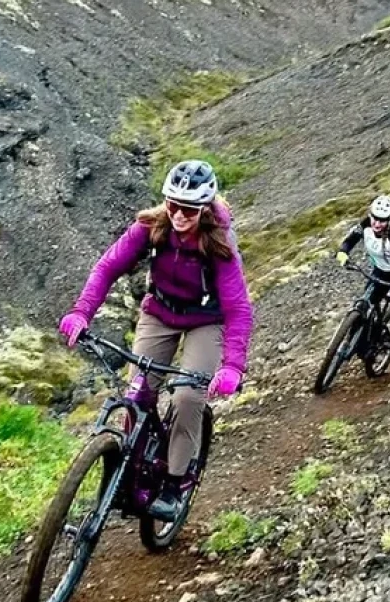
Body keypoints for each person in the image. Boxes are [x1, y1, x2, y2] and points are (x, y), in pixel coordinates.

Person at [58, 159, 253, 520]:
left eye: (189, 209)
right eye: (173, 204)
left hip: (205, 321)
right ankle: (129, 472)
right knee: (138, 392)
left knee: (188, 395)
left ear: (204, 209)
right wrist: (81, 311)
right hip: (159, 312)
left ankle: (174, 483)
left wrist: (232, 366)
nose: (179, 215)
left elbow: (239, 308)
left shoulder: (219, 242)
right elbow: (107, 267)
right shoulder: (150, 227)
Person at [335, 194, 390, 354]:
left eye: (382, 220)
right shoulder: (366, 225)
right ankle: (354, 341)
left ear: (389, 220)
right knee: (361, 306)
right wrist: (343, 251)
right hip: (380, 272)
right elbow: (351, 239)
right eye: (375, 218)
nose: (376, 223)